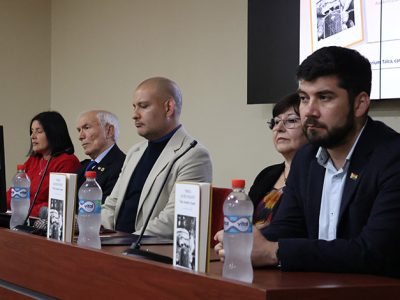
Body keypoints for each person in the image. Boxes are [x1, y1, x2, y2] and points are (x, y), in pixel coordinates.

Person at [215, 46, 400, 277]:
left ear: (360, 104)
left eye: (324, 97)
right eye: (304, 98)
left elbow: (374, 252)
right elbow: (290, 226)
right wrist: (247, 242)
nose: (309, 111)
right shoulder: (307, 157)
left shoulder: (392, 158)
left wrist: (275, 252)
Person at [102, 77, 212, 237]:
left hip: (147, 251)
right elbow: (112, 205)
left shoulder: (193, 155)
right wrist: (89, 230)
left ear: (168, 107)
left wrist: (127, 243)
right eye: (134, 107)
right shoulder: (135, 151)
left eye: (143, 106)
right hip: (115, 246)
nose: (134, 115)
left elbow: (174, 220)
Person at [250, 93, 307, 229]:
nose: (278, 128)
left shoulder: (316, 177)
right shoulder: (267, 174)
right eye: (276, 122)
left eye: (291, 120)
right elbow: (243, 221)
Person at [7, 111, 80, 217]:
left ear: (54, 133)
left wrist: (22, 208)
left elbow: (55, 205)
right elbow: (14, 193)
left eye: (38, 131)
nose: (33, 136)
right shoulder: (33, 159)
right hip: (23, 217)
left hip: (43, 223)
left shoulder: (67, 161)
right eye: (32, 131)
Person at [76, 110, 126, 202]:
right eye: (79, 130)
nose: (80, 136)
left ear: (109, 131)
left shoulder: (122, 167)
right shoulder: (84, 166)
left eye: (86, 128)